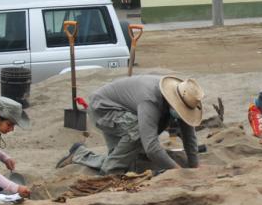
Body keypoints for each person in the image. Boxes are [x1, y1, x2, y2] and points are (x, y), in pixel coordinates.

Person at [60, 74, 204, 173]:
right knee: (136, 133)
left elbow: (189, 135)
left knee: (130, 162)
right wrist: (177, 172)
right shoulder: (151, 100)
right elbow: (152, 148)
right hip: (104, 110)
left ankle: (80, 154)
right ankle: (110, 171)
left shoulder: (183, 96)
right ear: (174, 102)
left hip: (127, 113)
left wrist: (195, 166)